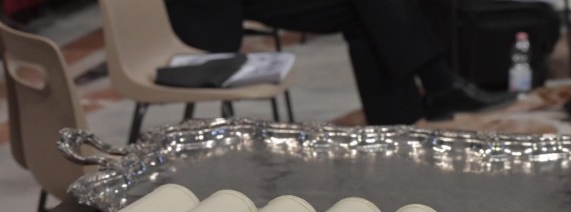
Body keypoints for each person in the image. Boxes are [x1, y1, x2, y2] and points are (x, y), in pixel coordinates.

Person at [164, 0, 514, 124]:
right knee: (369, 13)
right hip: (211, 8)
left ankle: (398, 128)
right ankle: (436, 88)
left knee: (364, 16)